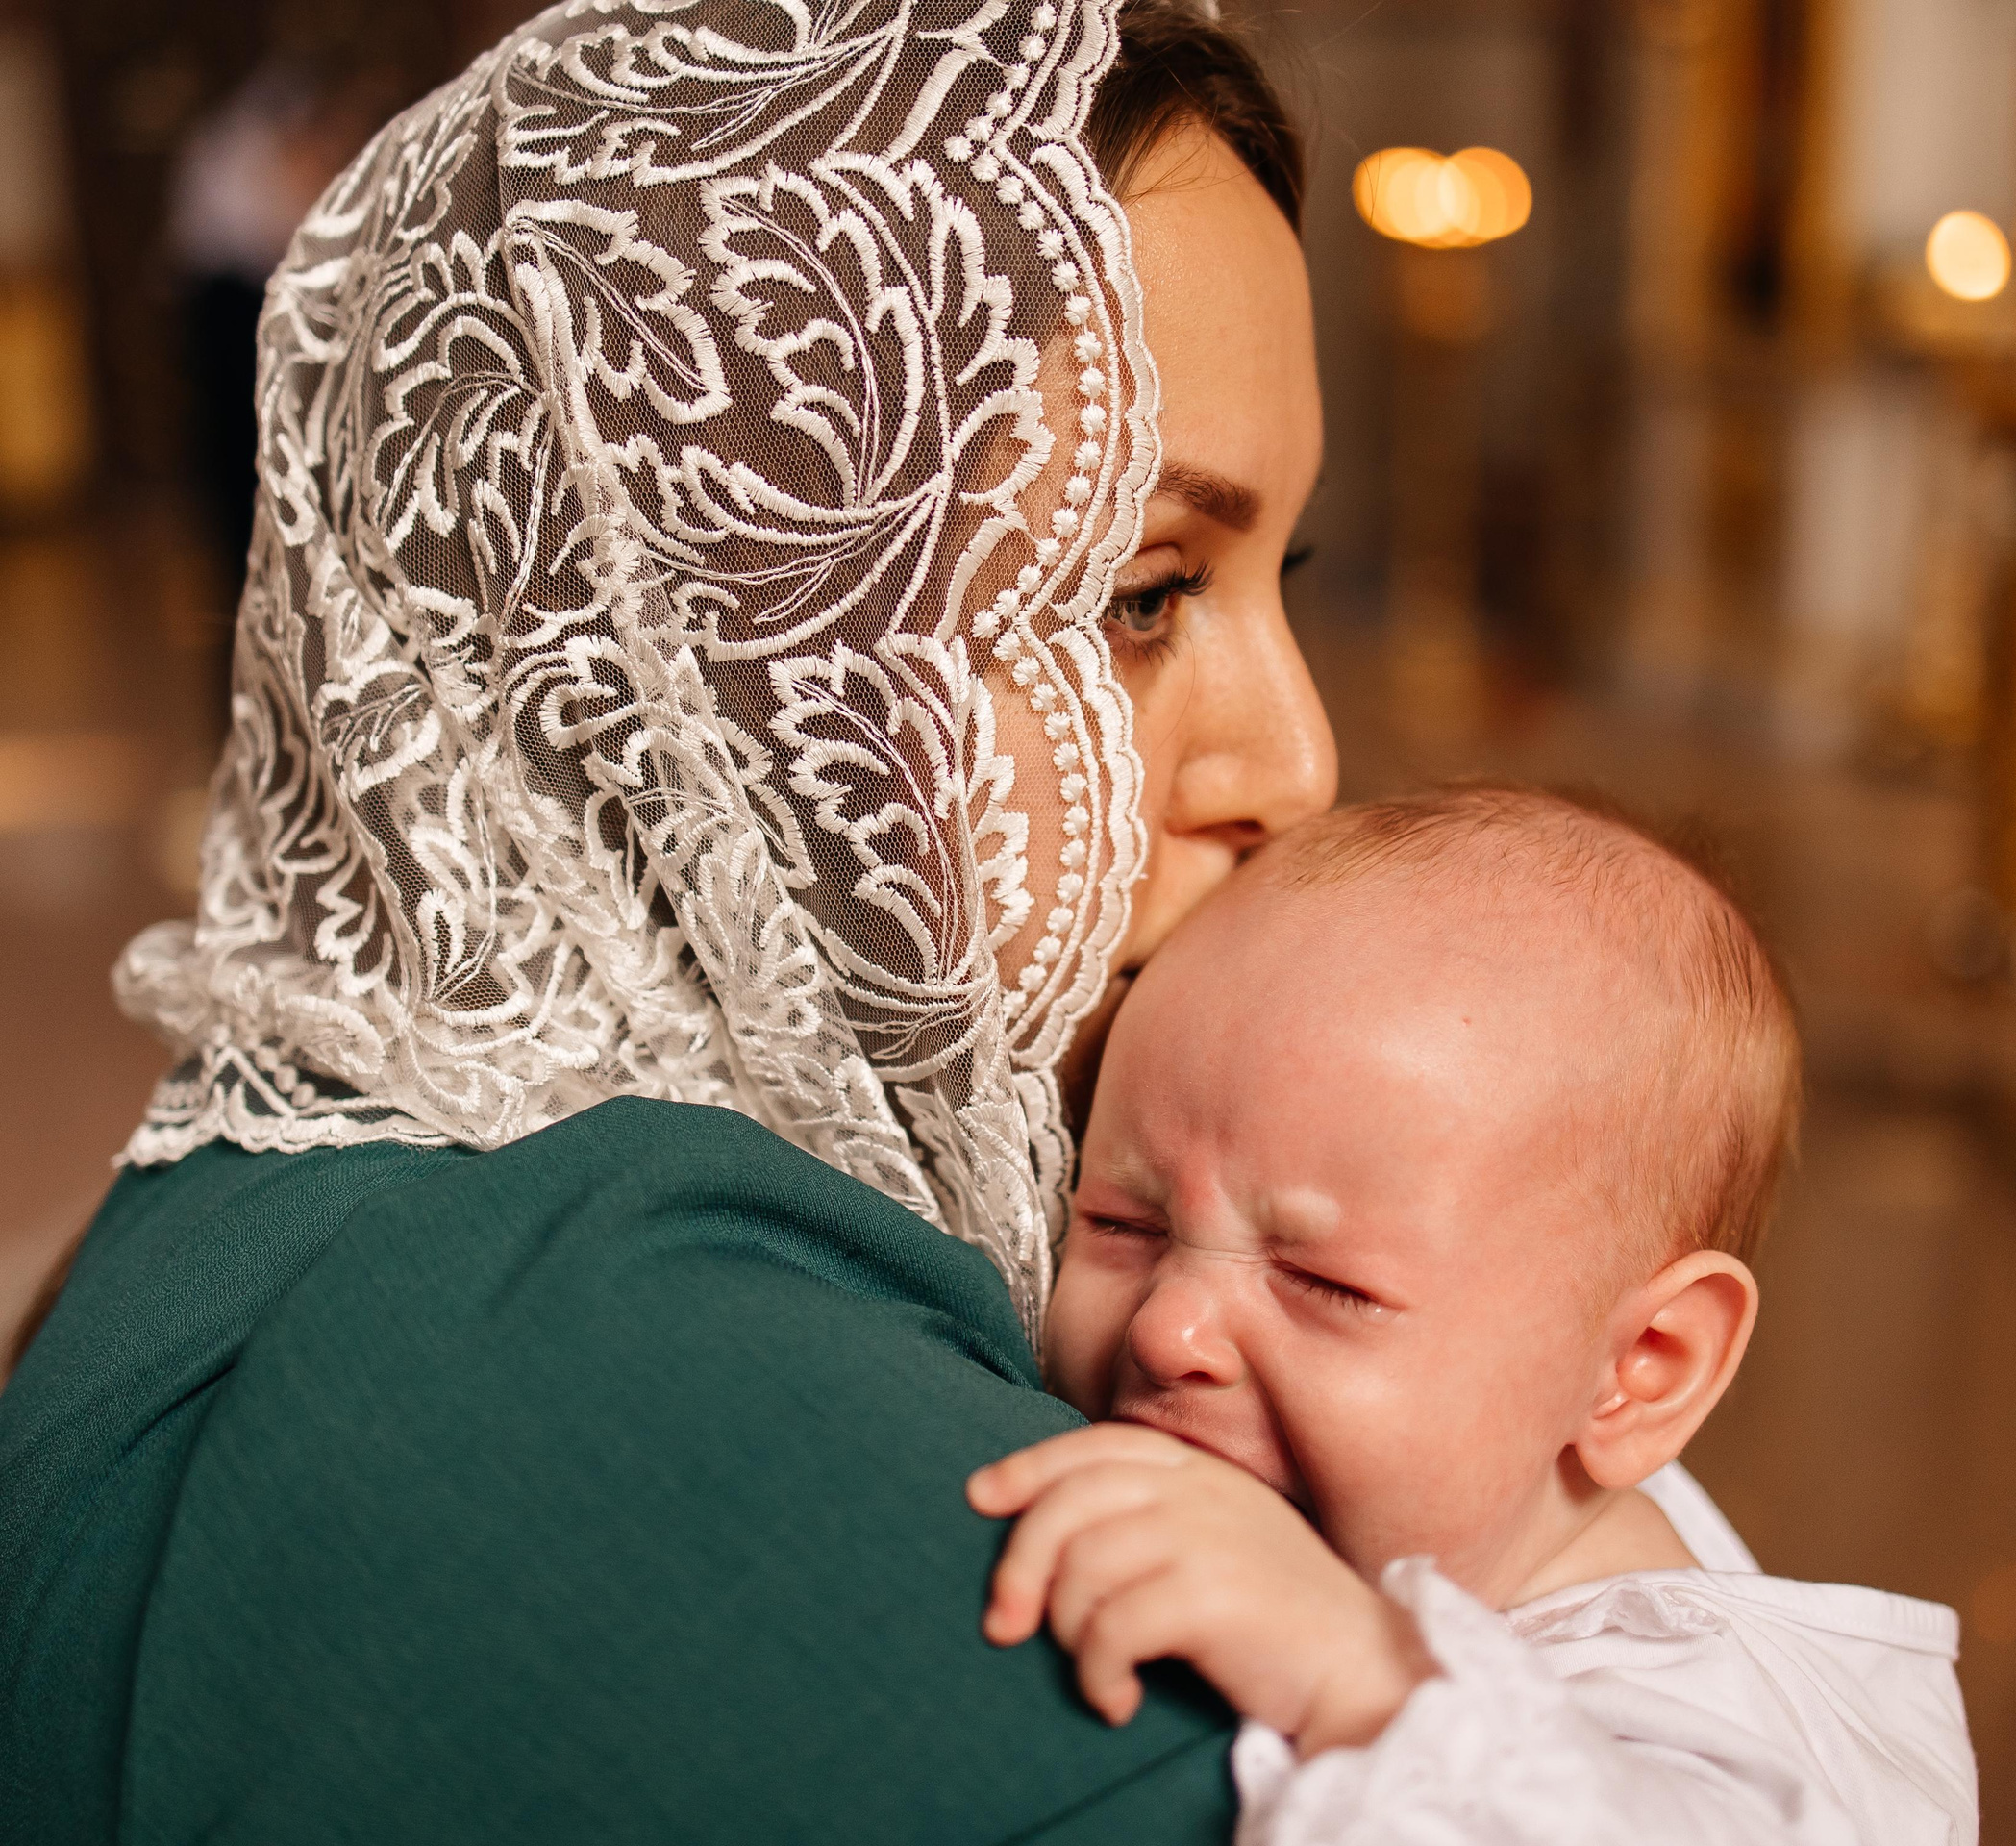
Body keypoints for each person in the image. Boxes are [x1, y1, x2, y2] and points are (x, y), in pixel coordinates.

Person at [0, 4, 1338, 1838]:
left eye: (1285, 575)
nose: (1297, 765)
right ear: (691, 638)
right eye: (1142, 593)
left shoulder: (315, 1191)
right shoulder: (670, 1393)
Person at [972, 787, 1981, 1844]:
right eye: (1122, 1221)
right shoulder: (1494, 1484)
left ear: (1640, 1367)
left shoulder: (1731, 1727)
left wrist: (1362, 1688)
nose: (1166, 1328)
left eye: (1326, 1285)